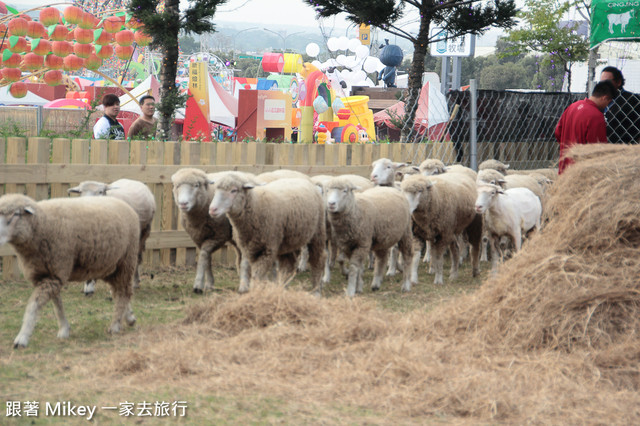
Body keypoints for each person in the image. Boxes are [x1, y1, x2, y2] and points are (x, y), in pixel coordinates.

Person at [555, 80, 618, 174]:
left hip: (564, 169)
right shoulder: (596, 116)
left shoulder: (572, 107)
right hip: (582, 173)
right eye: (609, 103)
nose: (607, 106)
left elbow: (557, 132)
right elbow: (597, 149)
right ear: (604, 98)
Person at [599, 66, 640, 144]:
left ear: (618, 82)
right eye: (601, 82)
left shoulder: (632, 99)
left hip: (625, 145)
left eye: (607, 82)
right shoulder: (601, 100)